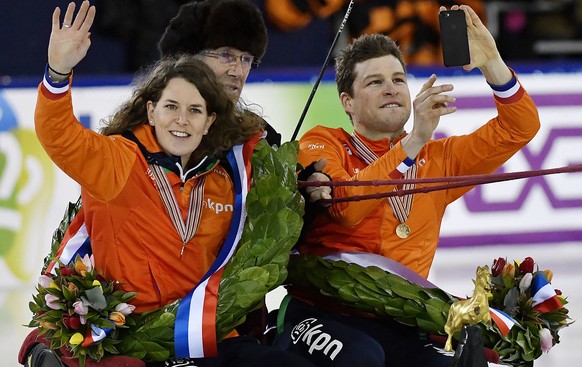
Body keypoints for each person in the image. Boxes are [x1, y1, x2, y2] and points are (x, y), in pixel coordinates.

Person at [19, 2, 317, 367]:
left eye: (195, 111)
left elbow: (274, 221)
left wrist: (309, 189)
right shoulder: (121, 159)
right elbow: (59, 136)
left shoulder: (239, 161)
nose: (236, 69)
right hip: (133, 331)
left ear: (209, 121)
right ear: (151, 110)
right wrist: (57, 73)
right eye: (225, 55)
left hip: (211, 331)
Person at [272, 5, 540, 367]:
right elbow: (345, 210)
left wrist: (492, 63)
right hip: (320, 311)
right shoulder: (324, 142)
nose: (391, 89)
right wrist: (412, 141)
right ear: (347, 103)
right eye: (374, 82)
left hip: (398, 319)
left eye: (398, 79)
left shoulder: (439, 159)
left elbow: (519, 128)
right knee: (361, 359)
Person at [158, 0, 281, 147]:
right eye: (226, 56)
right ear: (187, 60)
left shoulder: (260, 137)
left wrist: (310, 169)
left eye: (246, 59)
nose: (238, 72)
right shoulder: (147, 135)